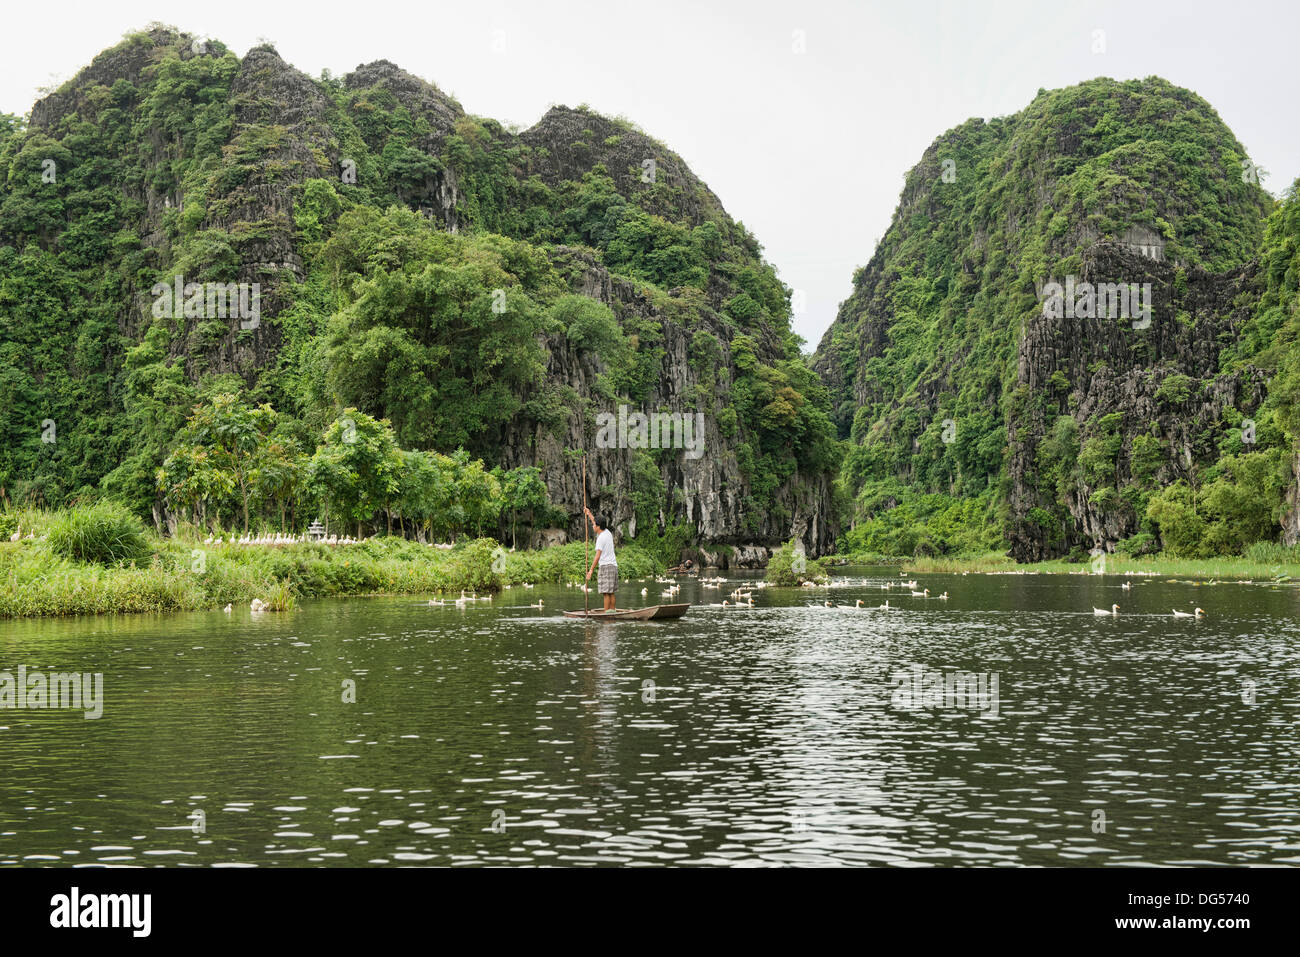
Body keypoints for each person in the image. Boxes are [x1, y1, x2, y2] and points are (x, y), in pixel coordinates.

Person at [584, 508, 618, 611]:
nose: (593, 526)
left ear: (598, 527)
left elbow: (597, 556)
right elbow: (596, 521)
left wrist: (591, 570)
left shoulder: (601, 538)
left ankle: (606, 613)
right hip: (613, 566)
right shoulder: (607, 532)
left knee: (606, 593)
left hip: (605, 567)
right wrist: (589, 514)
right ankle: (612, 612)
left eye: (594, 525)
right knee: (611, 592)